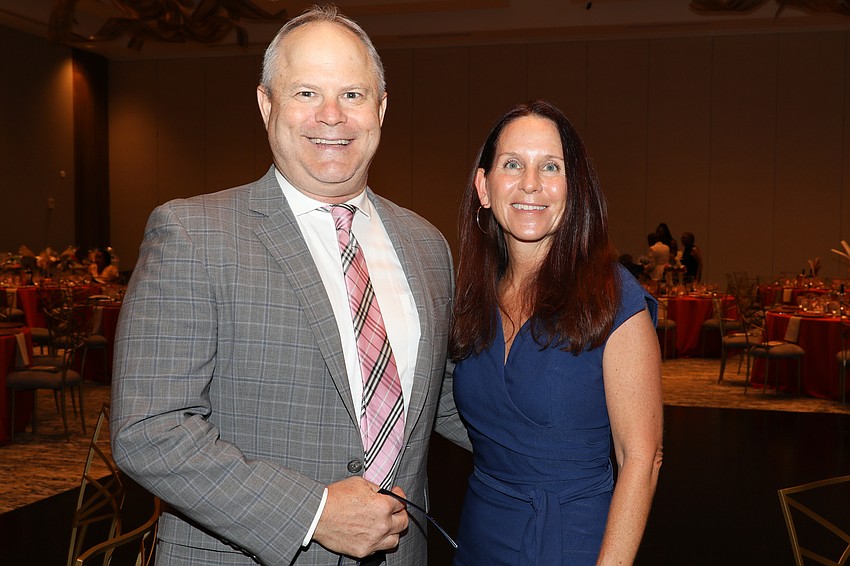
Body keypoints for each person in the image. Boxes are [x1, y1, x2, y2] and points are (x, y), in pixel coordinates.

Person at [110, 6, 468, 566]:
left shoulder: (426, 246)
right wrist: (313, 512)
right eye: (305, 93)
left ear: (381, 107)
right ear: (266, 104)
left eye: (352, 94)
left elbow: (444, 398)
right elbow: (148, 428)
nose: (332, 116)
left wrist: (574, 431)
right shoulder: (193, 234)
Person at [449, 100, 663, 565]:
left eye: (551, 166)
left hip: (574, 541)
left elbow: (640, 460)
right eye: (512, 164)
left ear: (575, 189)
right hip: (480, 534)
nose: (531, 184)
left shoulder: (613, 297)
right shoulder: (471, 298)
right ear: (484, 187)